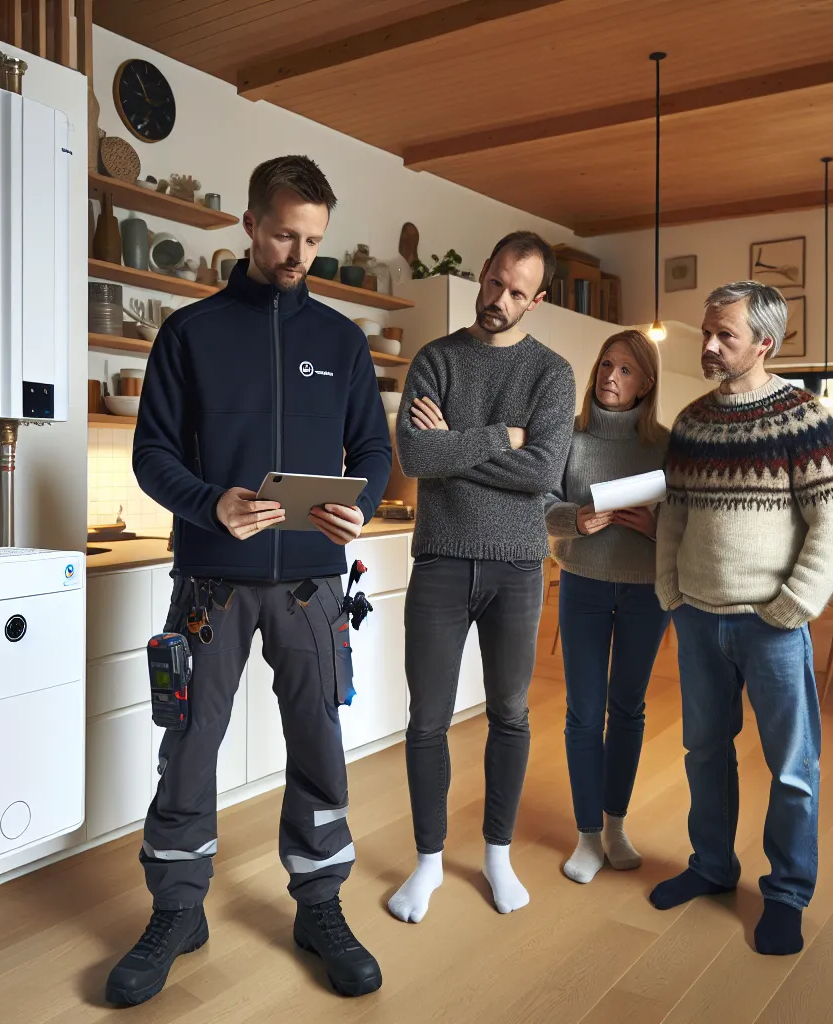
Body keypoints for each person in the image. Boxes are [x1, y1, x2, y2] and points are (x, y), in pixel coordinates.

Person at [109, 155, 392, 1006]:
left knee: (318, 747)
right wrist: (210, 504)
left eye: (312, 239)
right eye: (284, 234)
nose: (298, 252)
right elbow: (150, 455)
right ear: (249, 224)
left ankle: (320, 906)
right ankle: (177, 910)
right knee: (189, 749)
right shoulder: (191, 334)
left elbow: (373, 450)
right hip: (211, 585)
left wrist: (362, 503)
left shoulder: (340, 341)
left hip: (312, 585)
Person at [650, 281, 833, 956]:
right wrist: (670, 591)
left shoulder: (806, 417)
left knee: (792, 768)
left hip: (772, 625)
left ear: (764, 342)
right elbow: (673, 516)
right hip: (698, 620)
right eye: (707, 331)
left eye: (724, 335)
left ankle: (788, 892)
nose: (708, 344)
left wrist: (792, 606)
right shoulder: (691, 422)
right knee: (705, 753)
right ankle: (712, 867)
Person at [387, 231, 578, 923]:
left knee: (510, 714)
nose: (499, 299)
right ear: (485, 272)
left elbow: (545, 473)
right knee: (426, 720)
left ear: (539, 300)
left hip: (520, 566)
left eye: (517, 292)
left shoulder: (552, 374)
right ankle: (429, 862)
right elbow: (413, 453)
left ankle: (497, 853)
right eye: (494, 281)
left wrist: (456, 445)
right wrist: (504, 436)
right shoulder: (436, 359)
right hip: (440, 556)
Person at [544, 329, 671, 884]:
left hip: (646, 588)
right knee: (582, 713)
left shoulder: (666, 446)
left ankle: (615, 825)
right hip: (584, 583)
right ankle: (587, 836)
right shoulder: (569, 438)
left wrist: (657, 526)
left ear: (646, 382)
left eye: (625, 370)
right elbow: (541, 504)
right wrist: (575, 518)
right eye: (605, 365)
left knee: (628, 709)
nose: (609, 377)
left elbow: (689, 521)